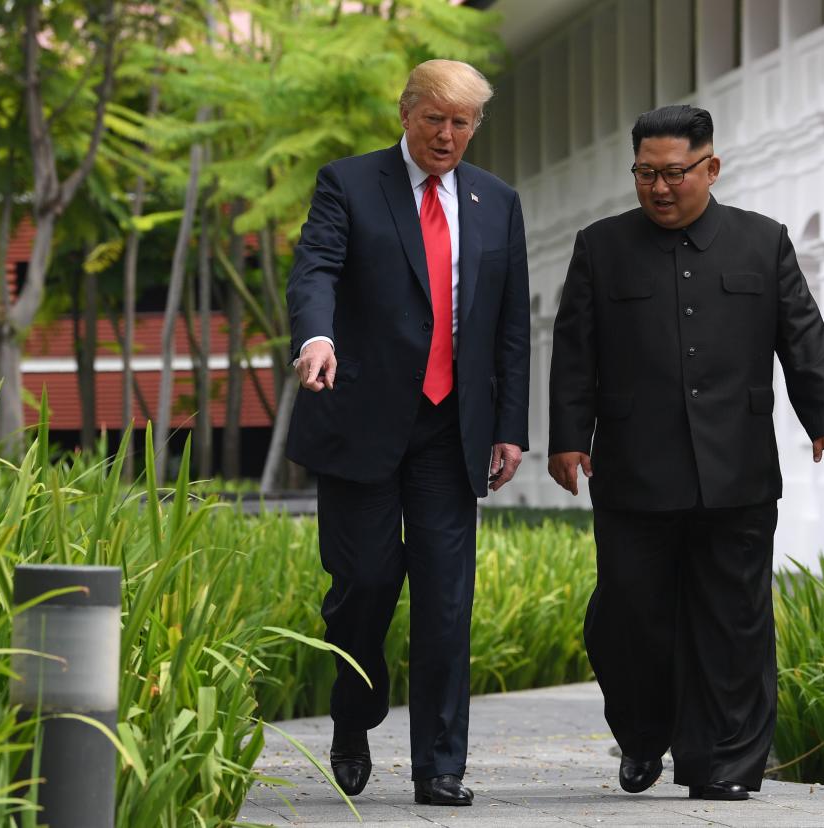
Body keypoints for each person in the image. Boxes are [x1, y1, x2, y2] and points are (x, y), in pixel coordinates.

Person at [547, 104, 824, 801]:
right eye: (646, 174)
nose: (660, 187)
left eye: (675, 173)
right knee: (628, 617)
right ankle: (641, 731)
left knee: (735, 622)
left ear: (711, 167)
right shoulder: (600, 246)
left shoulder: (762, 242)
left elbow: (802, 337)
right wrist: (569, 438)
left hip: (736, 466)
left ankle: (726, 766)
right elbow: (574, 352)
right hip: (632, 468)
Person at [285, 59, 530, 807]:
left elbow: (512, 324)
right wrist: (316, 338)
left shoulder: (498, 201)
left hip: (452, 426)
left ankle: (440, 767)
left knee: (447, 598)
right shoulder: (349, 184)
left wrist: (510, 427)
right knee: (362, 583)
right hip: (361, 417)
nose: (448, 135)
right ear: (407, 112)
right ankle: (355, 717)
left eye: (462, 123)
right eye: (436, 120)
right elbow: (315, 269)